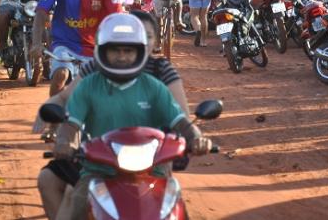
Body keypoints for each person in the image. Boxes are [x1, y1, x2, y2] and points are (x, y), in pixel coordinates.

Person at [50, 13, 211, 220]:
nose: (122, 56)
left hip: (153, 170)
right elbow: (71, 124)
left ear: (140, 52)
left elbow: (180, 120)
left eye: (128, 50)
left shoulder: (154, 87)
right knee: (78, 204)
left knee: (177, 208)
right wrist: (64, 142)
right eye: (115, 50)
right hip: (99, 171)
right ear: (102, 51)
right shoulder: (89, 86)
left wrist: (196, 138)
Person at [31, 0, 123, 98]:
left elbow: (116, 18)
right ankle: (54, 117)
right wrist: (37, 43)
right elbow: (41, 12)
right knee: (61, 74)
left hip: (95, 47)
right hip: (63, 44)